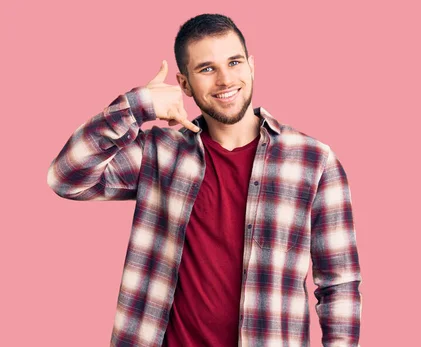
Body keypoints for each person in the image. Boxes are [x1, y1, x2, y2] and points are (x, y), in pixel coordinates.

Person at [47, 13, 362, 347]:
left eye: (235, 62)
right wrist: (136, 107)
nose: (225, 80)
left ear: (251, 66)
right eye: (207, 69)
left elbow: (339, 283)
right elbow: (66, 177)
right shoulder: (159, 152)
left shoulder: (313, 161)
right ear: (184, 85)